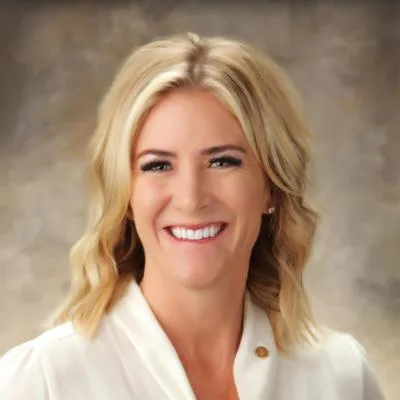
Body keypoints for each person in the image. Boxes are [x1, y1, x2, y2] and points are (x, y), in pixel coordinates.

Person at [0, 33, 385, 400]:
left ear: (271, 186)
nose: (190, 199)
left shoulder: (341, 376)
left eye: (223, 161)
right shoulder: (42, 380)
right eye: (157, 165)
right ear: (126, 195)